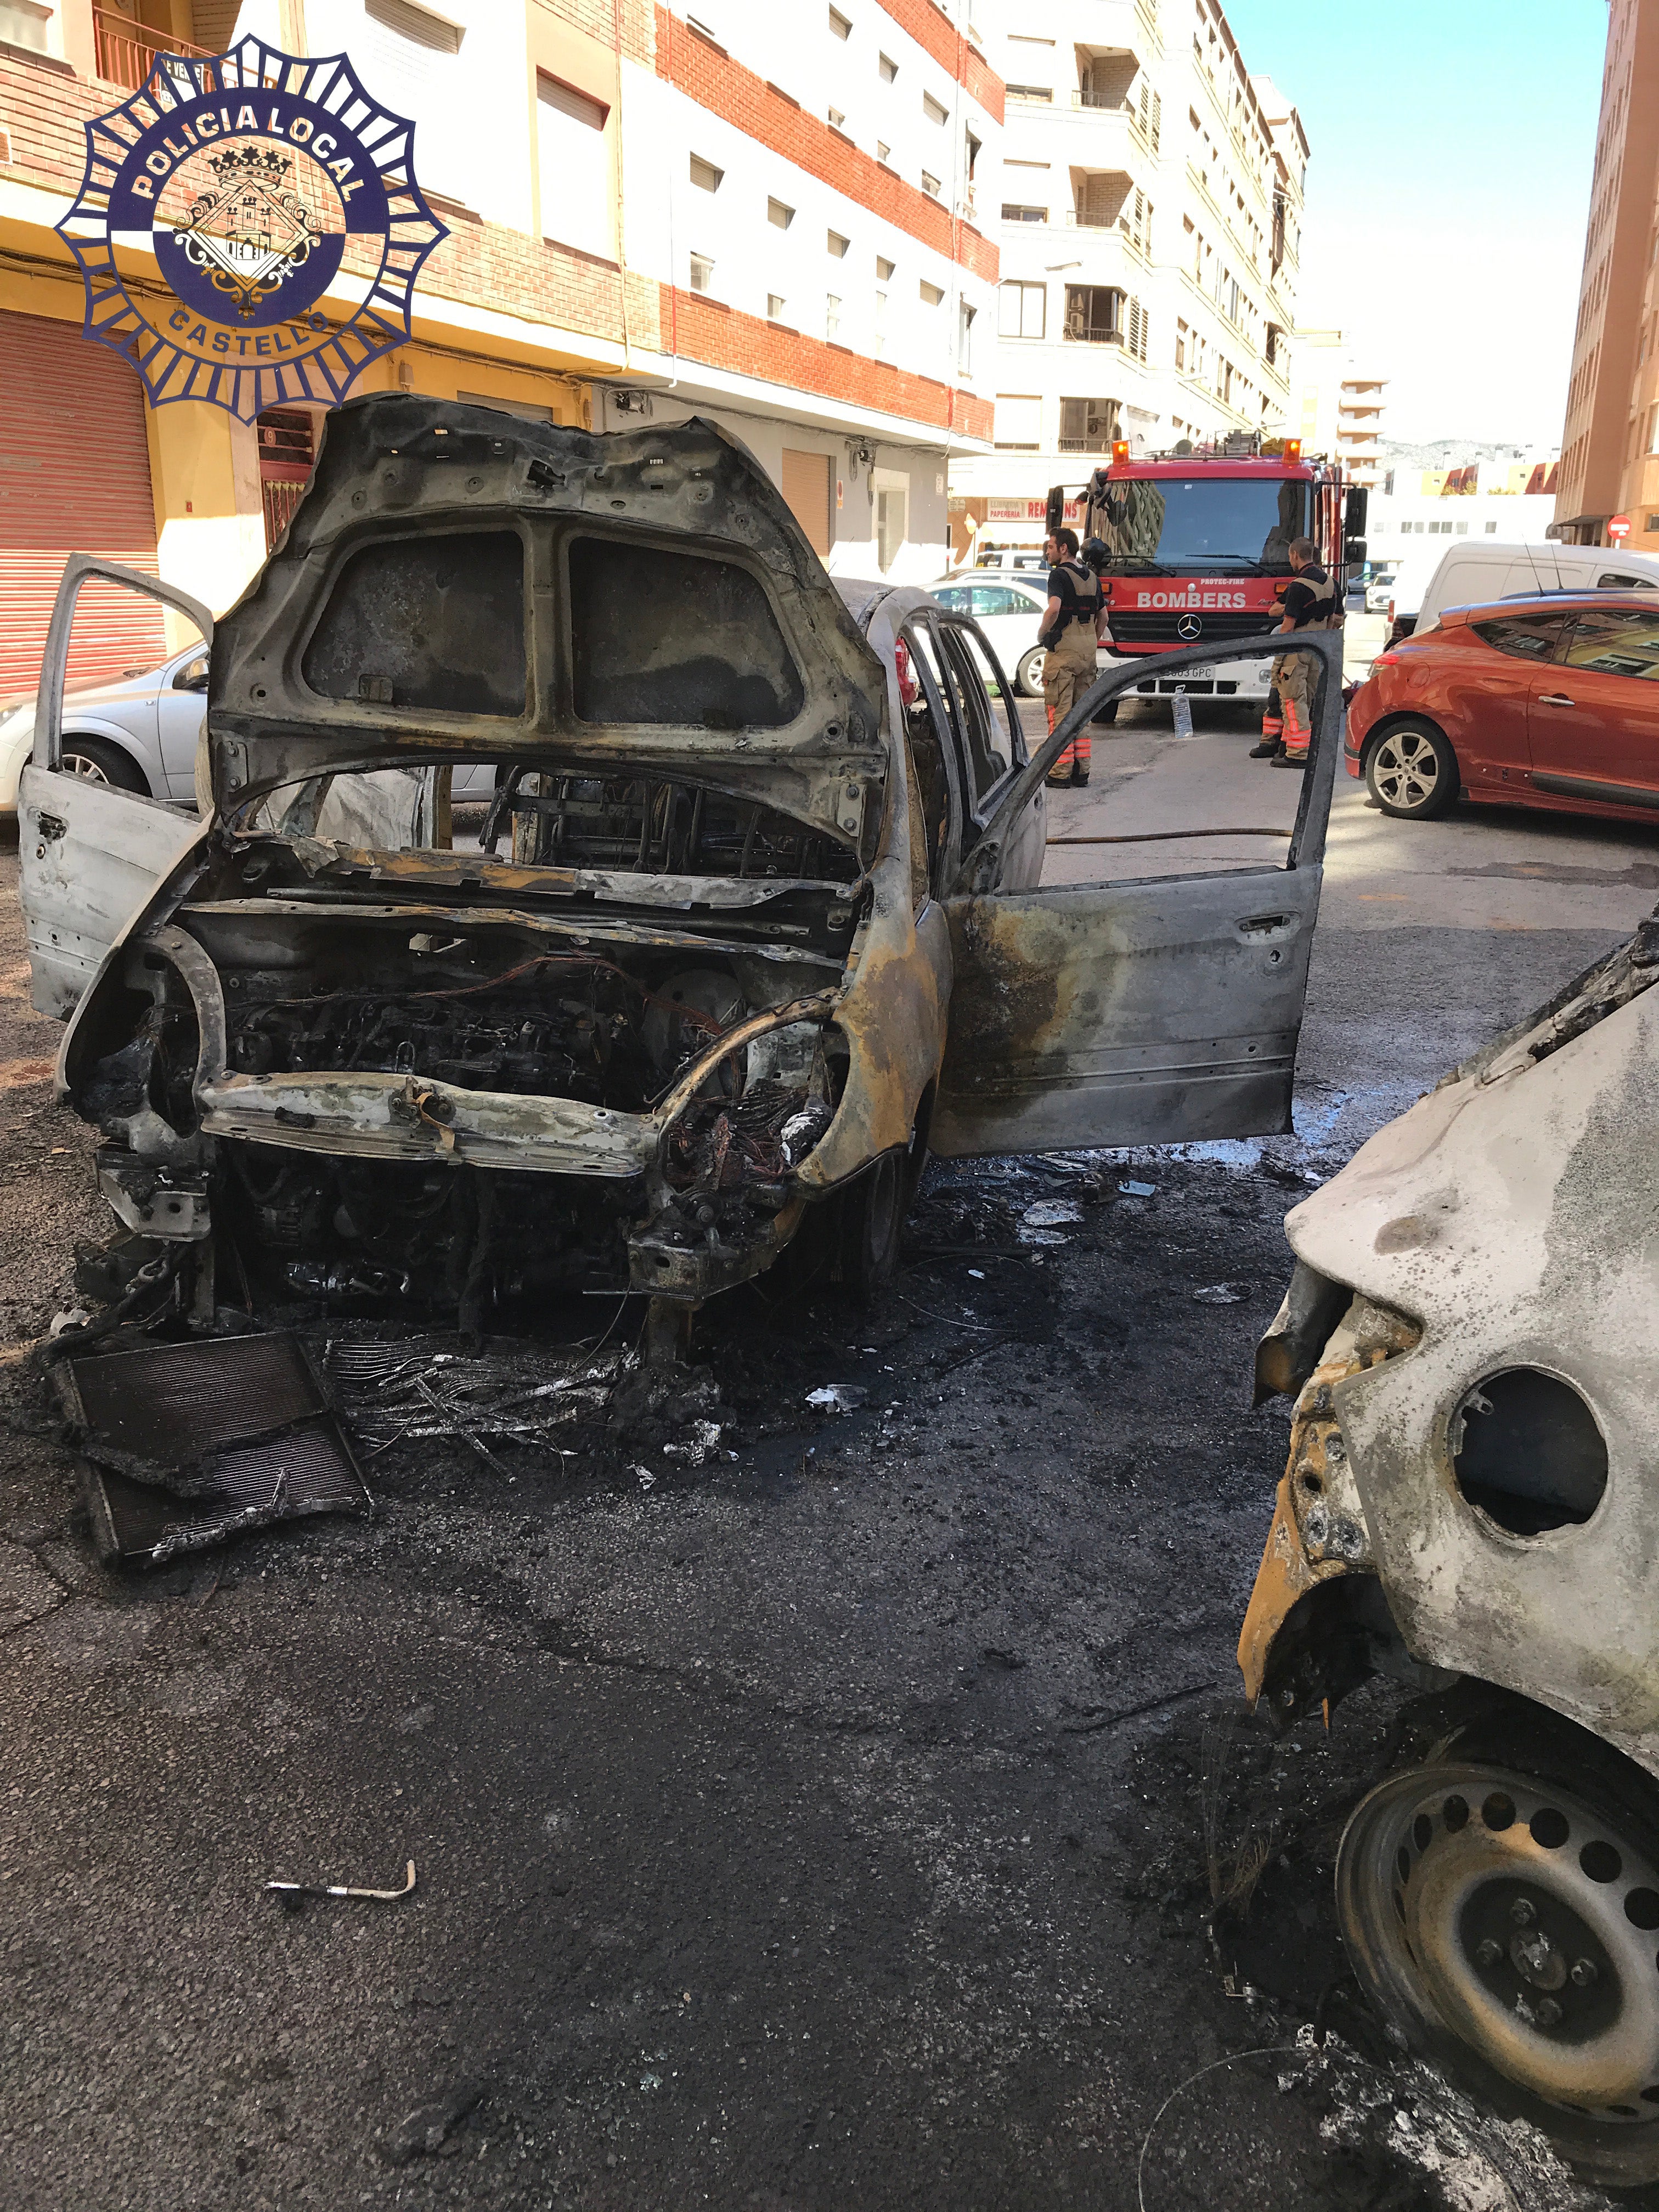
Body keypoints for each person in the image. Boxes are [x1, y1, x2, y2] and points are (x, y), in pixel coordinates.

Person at [1251, 535, 1335, 768]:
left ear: (1295, 556)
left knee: (1291, 700)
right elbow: (1335, 620)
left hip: (1296, 649)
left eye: (1290, 556)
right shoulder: (1331, 583)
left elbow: (1288, 625)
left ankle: (1297, 753)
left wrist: (1279, 653)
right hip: (1317, 649)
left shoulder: (1298, 586)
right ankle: (1285, 746)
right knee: (1305, 699)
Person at [1037, 528, 1104, 786]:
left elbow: (1054, 608)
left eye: (1050, 547)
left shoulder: (1059, 575)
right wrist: (1090, 642)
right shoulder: (1093, 578)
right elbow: (1104, 617)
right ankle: (1081, 772)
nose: (1048, 552)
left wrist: (1043, 634)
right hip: (1087, 654)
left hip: (1063, 654)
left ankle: (1059, 772)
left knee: (1060, 714)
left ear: (1063, 548)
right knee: (1082, 714)